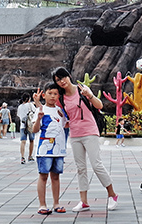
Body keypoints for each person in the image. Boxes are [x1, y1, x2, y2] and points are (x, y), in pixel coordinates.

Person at [53, 67, 119, 212]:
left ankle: (112, 194)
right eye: (58, 80)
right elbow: (60, 114)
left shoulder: (82, 89)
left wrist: (90, 95)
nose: (61, 81)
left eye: (63, 77)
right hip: (75, 135)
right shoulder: (61, 98)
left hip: (90, 131)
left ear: (69, 76)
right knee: (81, 168)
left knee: (96, 165)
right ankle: (84, 202)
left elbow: (99, 106)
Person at [32, 83, 68, 215]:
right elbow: (34, 130)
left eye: (55, 94)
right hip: (44, 149)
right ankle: (42, 204)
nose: (53, 96)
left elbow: (65, 125)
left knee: (56, 176)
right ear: (44, 95)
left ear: (59, 96)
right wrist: (39, 119)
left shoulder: (60, 111)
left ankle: (56, 203)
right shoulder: (40, 110)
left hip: (58, 149)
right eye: (50, 93)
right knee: (43, 176)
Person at [17, 93, 36, 164]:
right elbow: (35, 111)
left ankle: (22, 157)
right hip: (30, 126)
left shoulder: (20, 107)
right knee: (31, 140)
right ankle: (30, 156)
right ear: (28, 99)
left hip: (23, 126)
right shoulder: (30, 105)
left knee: (23, 141)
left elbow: (19, 115)